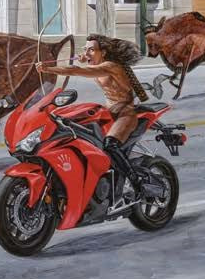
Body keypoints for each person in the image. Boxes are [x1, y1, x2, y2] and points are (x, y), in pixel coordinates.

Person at [37, 34, 156, 196]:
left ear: (104, 52)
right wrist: (85, 58)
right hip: (108, 112)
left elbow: (77, 71)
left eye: (92, 50)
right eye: (85, 49)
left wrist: (48, 68)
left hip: (125, 113)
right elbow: (84, 66)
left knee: (110, 145)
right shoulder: (97, 63)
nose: (87, 53)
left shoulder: (111, 66)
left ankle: (136, 182)